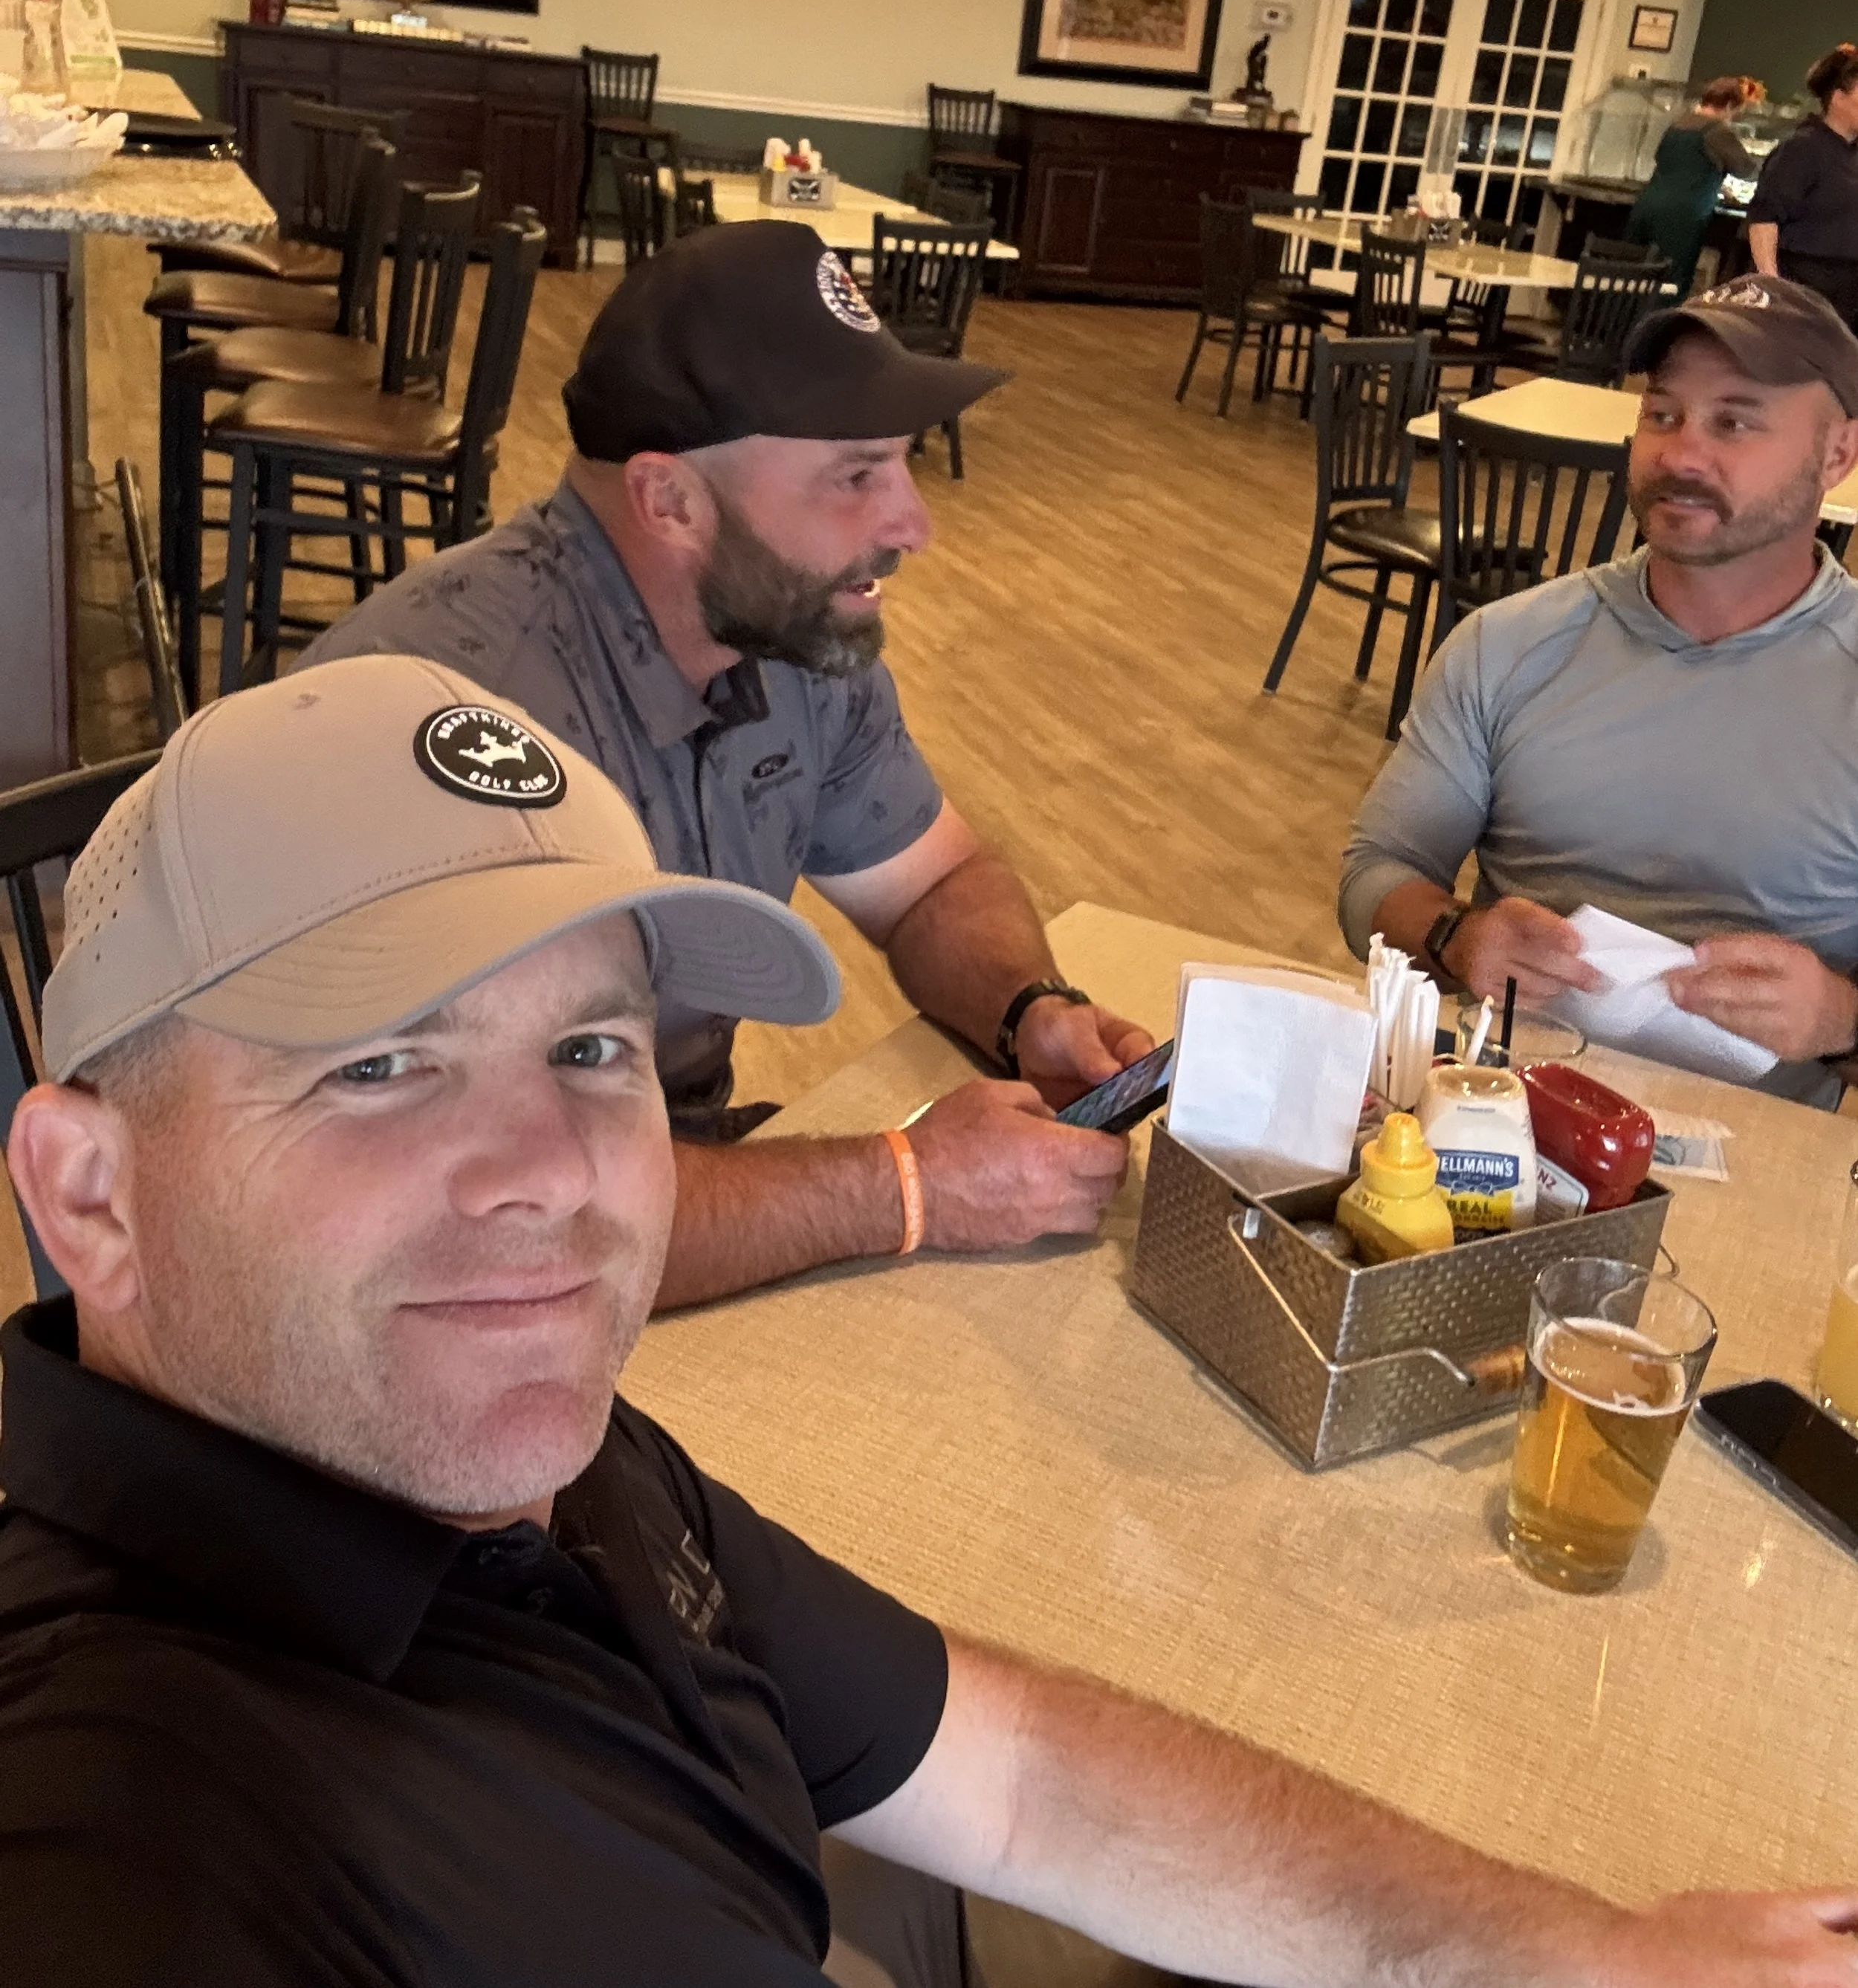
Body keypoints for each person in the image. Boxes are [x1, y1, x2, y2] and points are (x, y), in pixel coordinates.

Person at [5, 654, 1855, 1988]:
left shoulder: (528, 1454)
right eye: (382, 1066)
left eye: (591, 1048)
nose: (549, 1174)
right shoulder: (135, 1834)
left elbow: (1019, 1768)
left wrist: (1581, 1954)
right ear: (92, 1192)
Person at [298, 220, 1152, 1309]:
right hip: (436, 1287)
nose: (915, 524)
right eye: (856, 474)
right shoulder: (464, 728)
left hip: (659, 1190)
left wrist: (1030, 1009)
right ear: (669, 500)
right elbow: (516, 1217)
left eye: (903, 465)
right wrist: (911, 1185)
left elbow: (932, 880)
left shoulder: (785, 634)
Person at [1340, 273, 1858, 1105]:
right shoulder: (1508, 645)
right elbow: (1376, 872)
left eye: (1734, 421)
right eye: (1662, 414)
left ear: (1835, 454)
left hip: (1766, 1150)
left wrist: (1841, 1018)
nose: (1680, 454)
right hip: (1500, 1122)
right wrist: (1459, 936)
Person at [1747, 43, 1858, 327]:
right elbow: (1764, 218)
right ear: (1838, 98)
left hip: (1850, 289)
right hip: (1806, 285)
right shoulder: (1802, 149)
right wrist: (1771, 285)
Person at [1625, 73, 1761, 297]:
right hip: (1682, 217)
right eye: (1735, 112)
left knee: (1633, 281)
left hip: (1646, 207)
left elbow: (1666, 161)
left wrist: (1717, 182)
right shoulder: (1717, 131)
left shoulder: (1676, 125)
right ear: (1728, 105)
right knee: (1670, 284)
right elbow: (1747, 170)